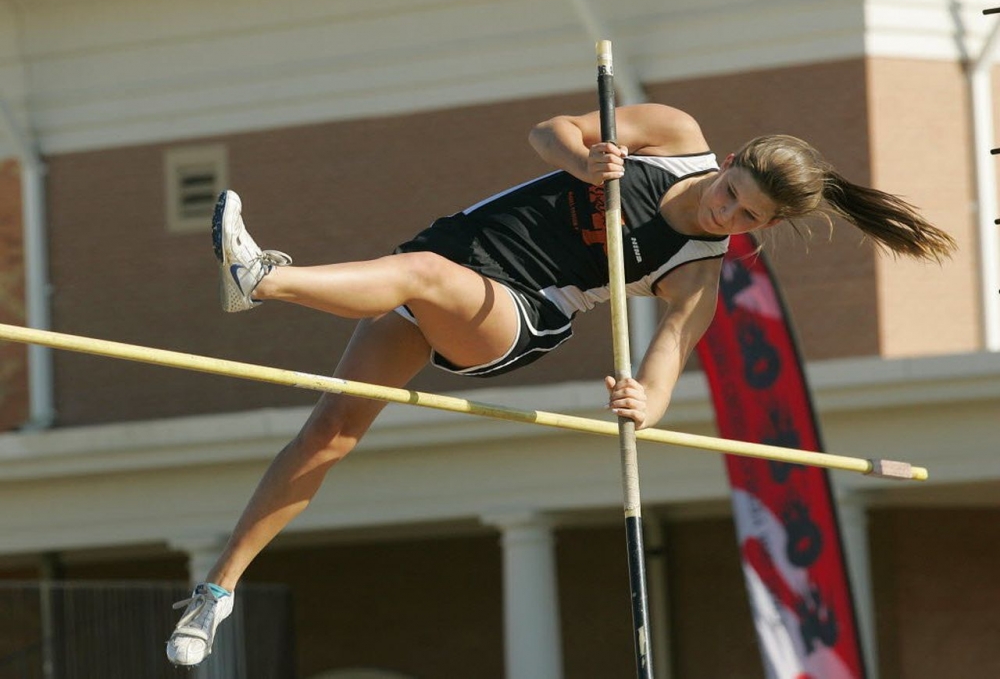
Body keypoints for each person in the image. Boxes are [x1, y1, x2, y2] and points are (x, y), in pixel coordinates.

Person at [165, 102, 955, 666]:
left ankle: (262, 280)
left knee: (420, 277)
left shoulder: (697, 273)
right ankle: (218, 590)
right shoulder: (674, 137)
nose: (725, 217)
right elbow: (549, 130)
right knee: (329, 434)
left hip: (511, 316)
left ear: (765, 227)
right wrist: (582, 157)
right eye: (730, 195)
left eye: (746, 219)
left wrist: (643, 403)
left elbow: (668, 359)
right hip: (455, 256)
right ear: (729, 161)